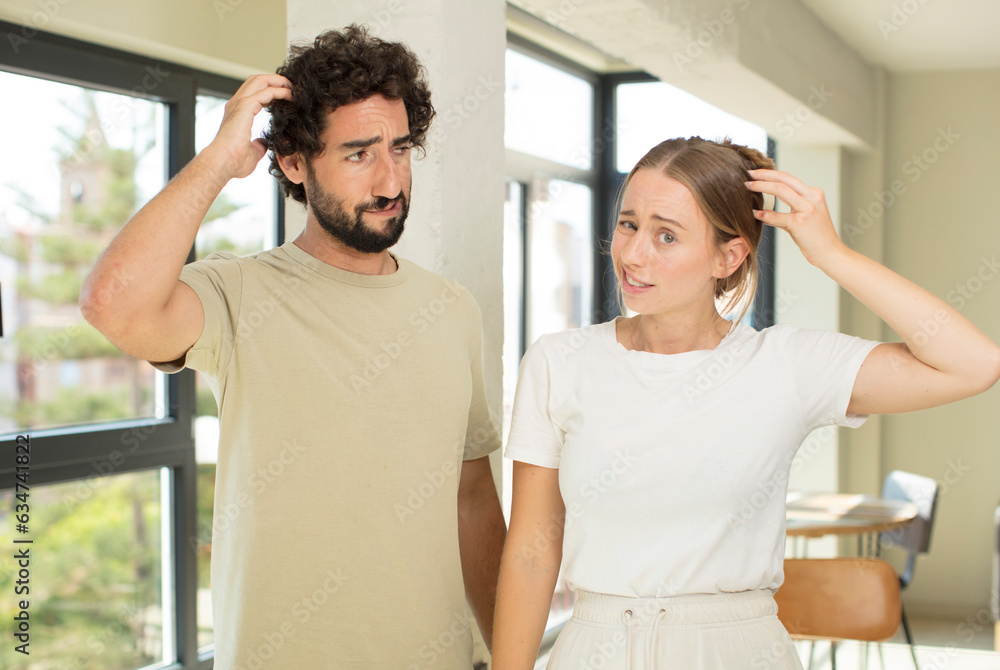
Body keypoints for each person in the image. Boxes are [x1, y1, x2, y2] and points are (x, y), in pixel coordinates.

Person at [81, 25, 505, 669]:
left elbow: (472, 499)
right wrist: (219, 160)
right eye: (359, 154)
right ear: (295, 163)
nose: (390, 180)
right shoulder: (237, 293)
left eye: (400, 147)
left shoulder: (452, 311)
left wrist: (509, 654)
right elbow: (112, 302)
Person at [491, 136, 1000, 670]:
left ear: (728, 256)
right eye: (628, 224)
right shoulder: (559, 361)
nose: (634, 253)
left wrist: (831, 254)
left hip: (737, 651)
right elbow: (531, 551)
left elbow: (973, 363)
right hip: (594, 649)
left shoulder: (785, 364)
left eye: (666, 235)